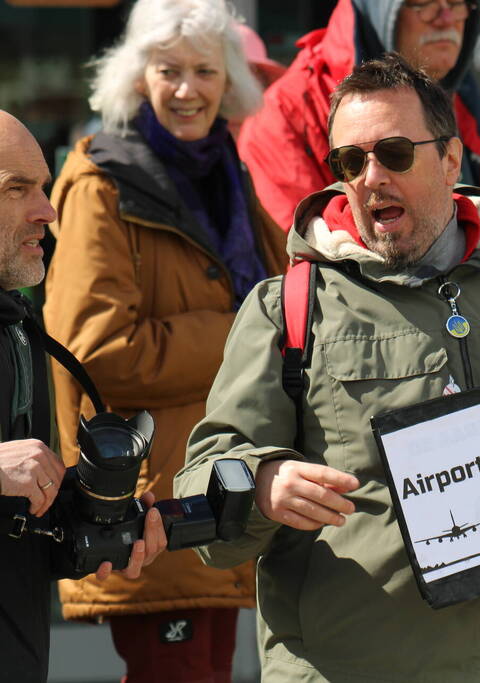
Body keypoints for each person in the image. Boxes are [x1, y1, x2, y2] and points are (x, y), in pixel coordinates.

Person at [175, 53, 480, 682]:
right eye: (350, 162)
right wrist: (261, 484)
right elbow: (202, 491)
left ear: (452, 160)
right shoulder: (289, 307)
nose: (371, 177)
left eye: (395, 153)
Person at [42, 1, 289, 681]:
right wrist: (245, 335)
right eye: (168, 69)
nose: (187, 89)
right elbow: (94, 349)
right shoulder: (101, 180)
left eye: (204, 70)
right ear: (136, 76)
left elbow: (280, 301)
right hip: (152, 502)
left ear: (227, 79)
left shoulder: (225, 174)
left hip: (218, 491)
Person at [0, 109, 167, 683]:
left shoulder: (19, 325)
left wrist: (92, 521)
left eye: (43, 187)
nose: (47, 210)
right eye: (16, 189)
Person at [237, 0, 480, 241]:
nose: (446, 17)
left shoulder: (477, 117)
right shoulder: (285, 116)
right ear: (381, 8)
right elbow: (310, 265)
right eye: (424, 2)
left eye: (457, 2)